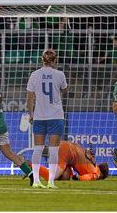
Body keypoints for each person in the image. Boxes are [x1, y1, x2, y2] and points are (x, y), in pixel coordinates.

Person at [26, 49, 68, 188]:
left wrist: (31, 114)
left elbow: (30, 98)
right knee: (54, 150)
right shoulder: (60, 75)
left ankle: (36, 181)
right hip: (56, 116)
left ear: (42, 60)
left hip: (39, 116)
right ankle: (51, 182)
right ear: (55, 61)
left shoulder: (34, 75)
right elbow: (64, 90)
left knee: (37, 149)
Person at [35, 141, 110, 181]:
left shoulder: (92, 163)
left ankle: (49, 150)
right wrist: (77, 177)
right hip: (68, 152)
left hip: (67, 146)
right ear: (102, 175)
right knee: (51, 177)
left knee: (65, 177)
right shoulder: (97, 173)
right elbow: (87, 178)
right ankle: (31, 165)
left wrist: (72, 175)